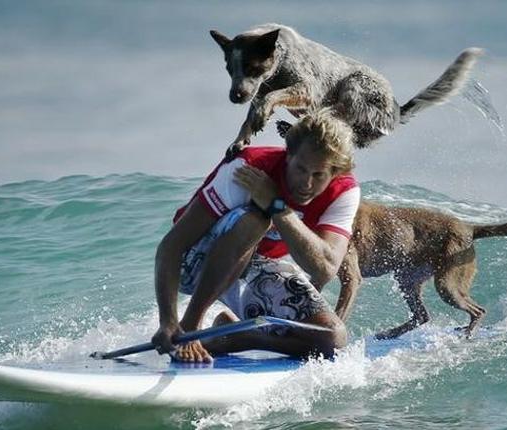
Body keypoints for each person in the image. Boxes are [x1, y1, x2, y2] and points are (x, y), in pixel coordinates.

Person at [151, 108, 359, 363]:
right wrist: (168, 321)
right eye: (300, 169)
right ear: (288, 155)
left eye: (318, 175)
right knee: (257, 219)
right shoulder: (249, 169)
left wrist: (277, 206)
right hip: (192, 262)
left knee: (331, 339)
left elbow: (325, 268)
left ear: (335, 173)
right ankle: (191, 326)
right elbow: (171, 246)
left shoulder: (344, 193)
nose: (306, 183)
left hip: (253, 265)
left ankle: (239, 337)